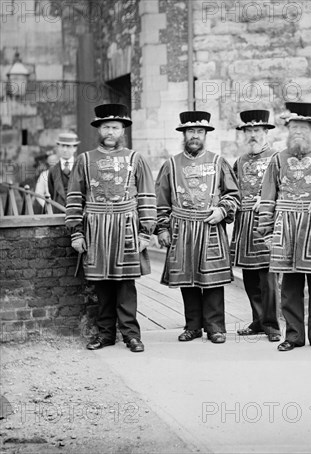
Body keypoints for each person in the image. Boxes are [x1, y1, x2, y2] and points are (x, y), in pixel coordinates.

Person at [66, 103, 157, 353]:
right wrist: (76, 232)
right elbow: (74, 196)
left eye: (115, 127)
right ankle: (105, 335)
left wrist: (146, 232)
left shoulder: (135, 159)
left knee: (126, 284)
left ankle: (131, 335)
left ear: (122, 130)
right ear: (99, 129)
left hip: (126, 226)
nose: (110, 132)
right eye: (106, 127)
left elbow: (148, 195)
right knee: (102, 285)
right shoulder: (85, 160)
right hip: (96, 227)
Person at [257, 102, 311, 352]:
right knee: (290, 286)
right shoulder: (277, 160)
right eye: (294, 127)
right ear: (288, 129)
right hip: (286, 228)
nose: (298, 132)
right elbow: (268, 196)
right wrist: (267, 232)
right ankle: (293, 335)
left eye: (303, 127)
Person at [155, 111, 240, 344]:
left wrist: (222, 210)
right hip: (181, 227)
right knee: (187, 279)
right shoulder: (171, 165)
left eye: (199, 132)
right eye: (190, 131)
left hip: (209, 226)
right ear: (184, 134)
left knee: (211, 279)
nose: (195, 136)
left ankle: (215, 328)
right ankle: (192, 326)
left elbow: (234, 194)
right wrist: (162, 228)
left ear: (205, 135)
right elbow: (160, 200)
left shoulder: (217, 162)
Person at [230, 110, 281, 342]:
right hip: (245, 222)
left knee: (268, 276)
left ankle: (272, 324)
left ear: (266, 132)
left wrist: (269, 200)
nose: (252, 135)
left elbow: (288, 188)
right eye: (248, 131)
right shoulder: (239, 162)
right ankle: (258, 320)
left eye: (257, 131)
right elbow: (230, 191)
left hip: (267, 221)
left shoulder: (278, 158)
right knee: (249, 276)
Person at [47, 132, 80, 207]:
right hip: (58, 211)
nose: (65, 150)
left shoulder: (81, 168)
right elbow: (52, 192)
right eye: (62, 146)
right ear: (58, 147)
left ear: (75, 148)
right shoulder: (52, 170)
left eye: (68, 146)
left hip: (76, 211)